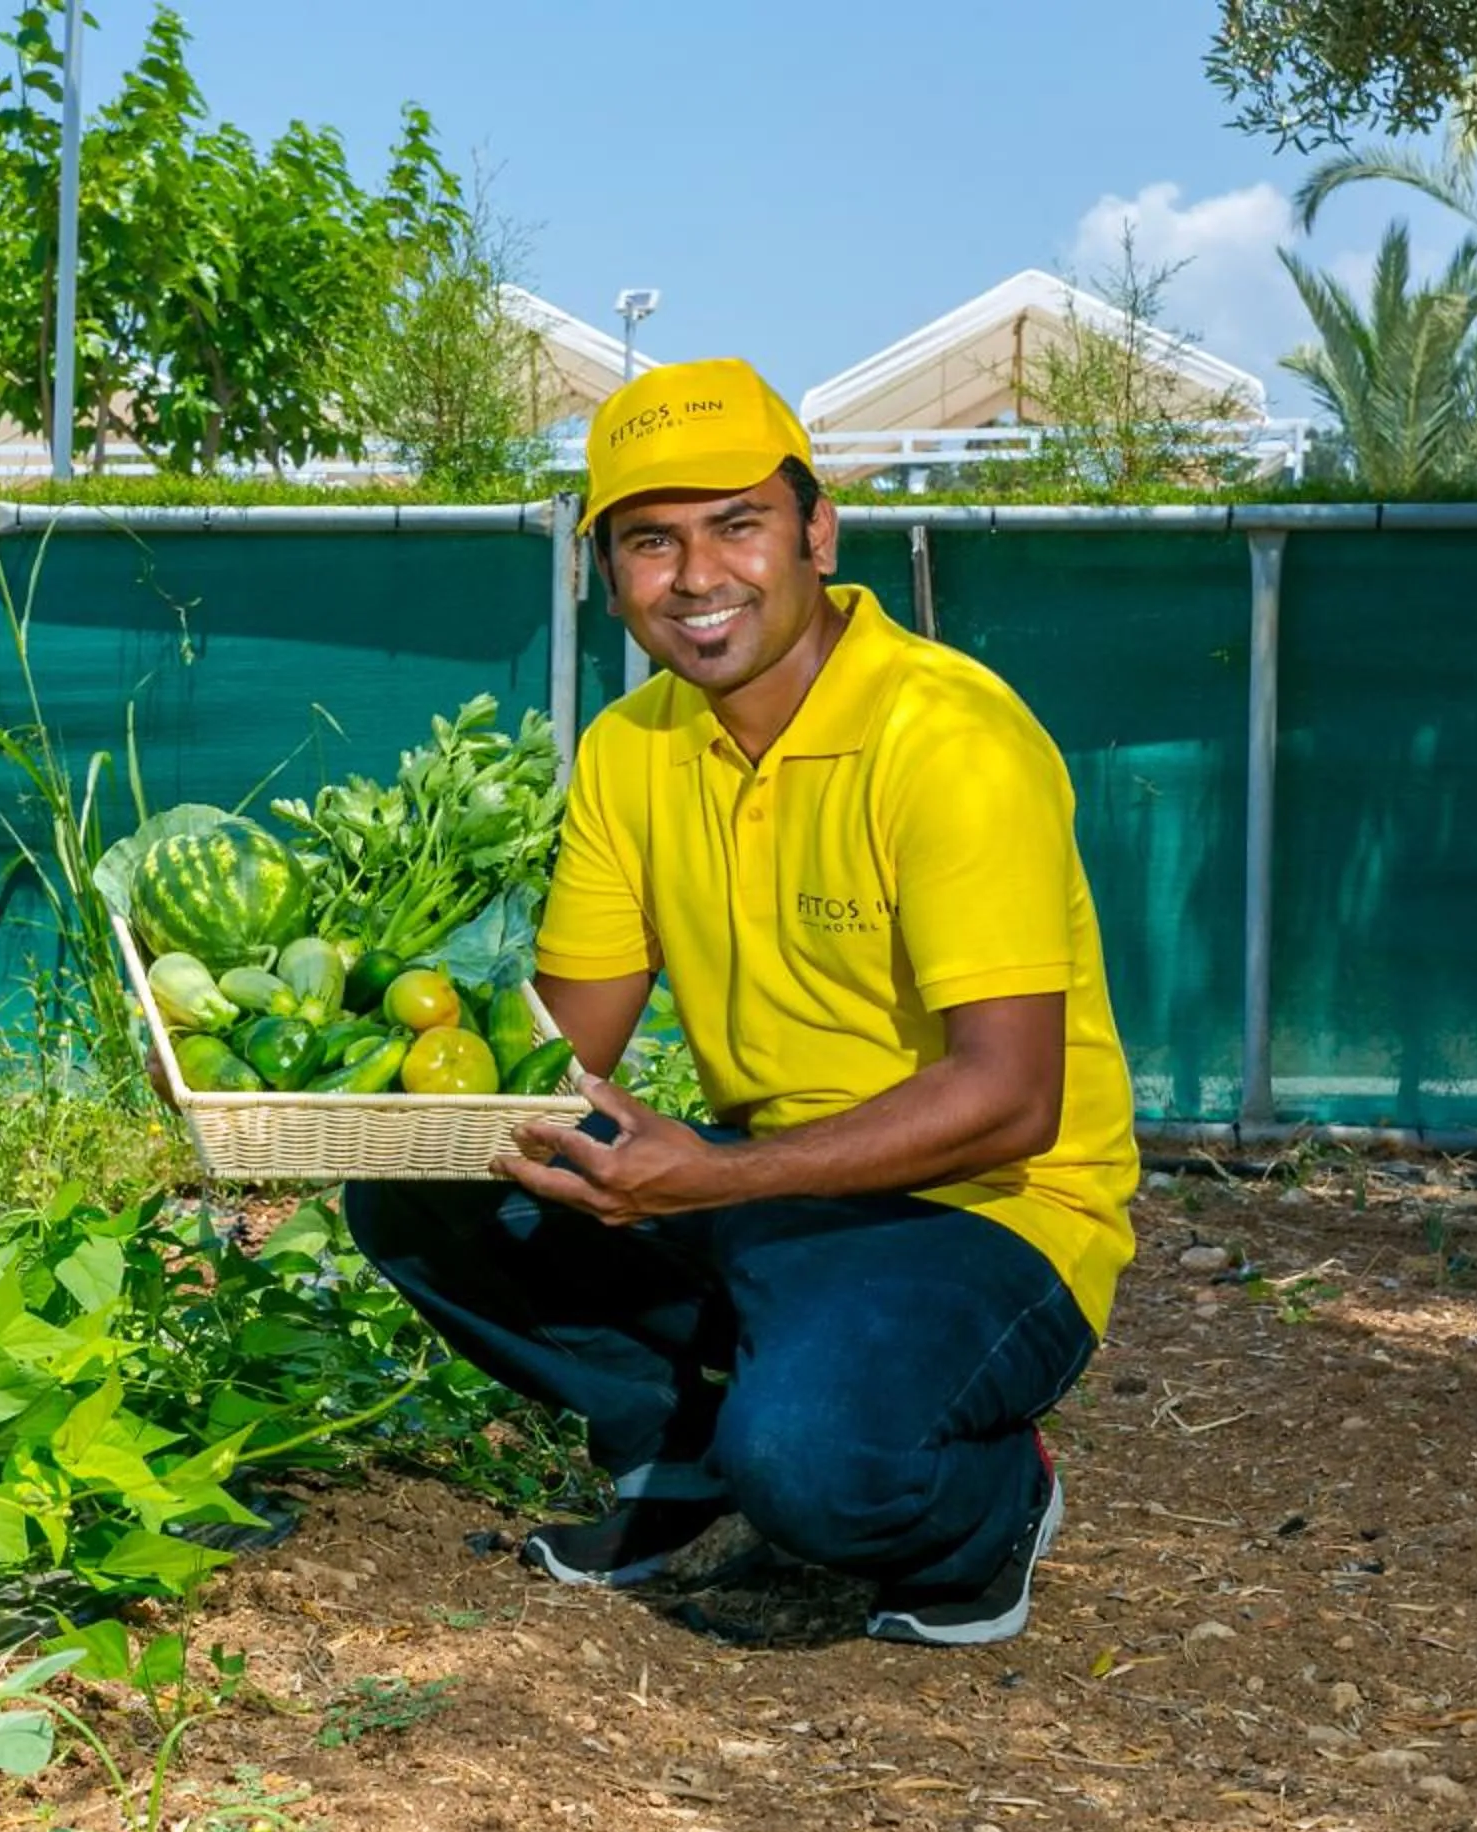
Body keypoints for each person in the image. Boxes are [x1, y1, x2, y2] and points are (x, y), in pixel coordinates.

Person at [343, 357, 1138, 1646]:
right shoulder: (633, 746)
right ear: (608, 571)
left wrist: (711, 1180)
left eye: (737, 525)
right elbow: (558, 1057)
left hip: (988, 1212)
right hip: (768, 1183)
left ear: (818, 531)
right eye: (652, 541)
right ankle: (675, 1465)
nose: (697, 576)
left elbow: (1011, 1099)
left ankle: (989, 1508)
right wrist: (285, 1062)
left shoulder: (950, 738)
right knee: (428, 1185)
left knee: (818, 1468)